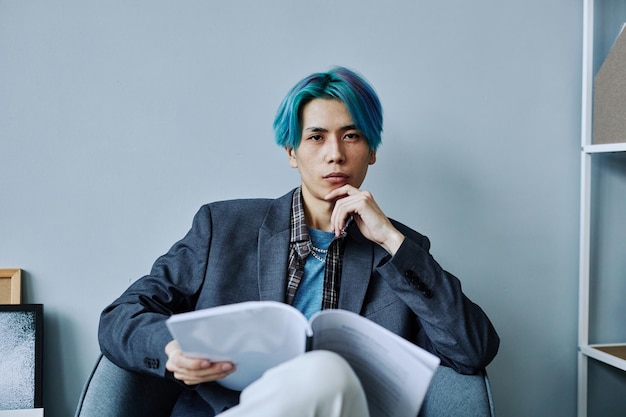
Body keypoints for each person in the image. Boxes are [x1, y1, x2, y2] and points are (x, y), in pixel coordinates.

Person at [98, 66, 500, 416]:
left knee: (328, 372)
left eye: (352, 136)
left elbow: (473, 350)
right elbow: (121, 315)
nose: (335, 155)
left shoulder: (400, 253)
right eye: (316, 138)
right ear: (292, 152)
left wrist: (391, 240)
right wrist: (171, 352)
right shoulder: (223, 227)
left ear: (372, 150)